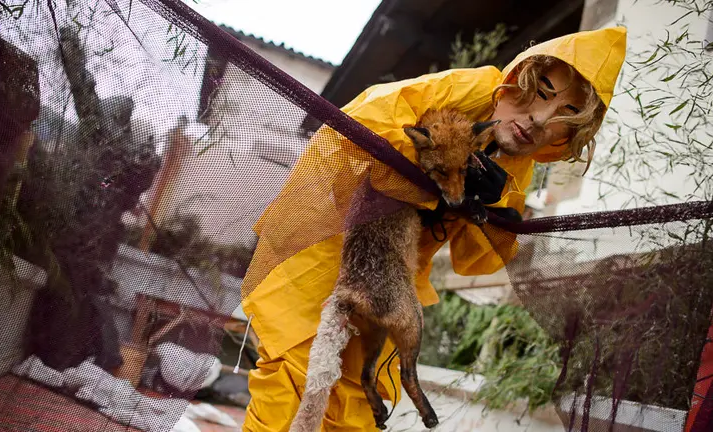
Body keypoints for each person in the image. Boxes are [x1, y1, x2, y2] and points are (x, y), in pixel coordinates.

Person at [240, 26, 627, 431]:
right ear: (519, 79)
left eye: (565, 117)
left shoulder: (517, 166)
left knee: (357, 406)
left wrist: (492, 213)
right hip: (326, 250)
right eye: (543, 93)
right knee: (293, 382)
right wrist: (434, 172)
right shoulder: (468, 88)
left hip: (394, 279)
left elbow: (475, 258)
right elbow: (356, 130)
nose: (539, 119)